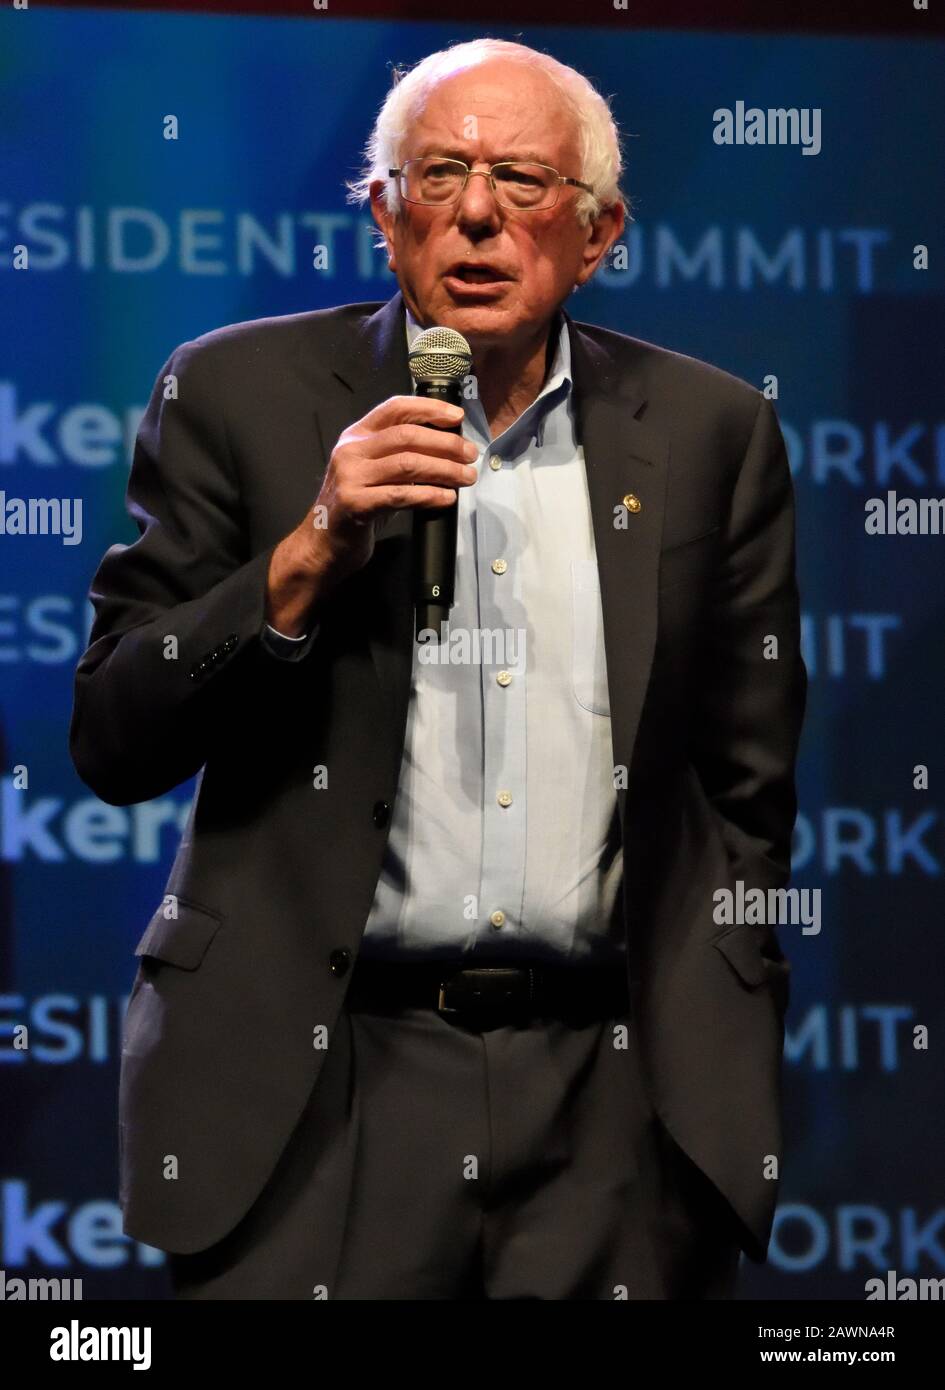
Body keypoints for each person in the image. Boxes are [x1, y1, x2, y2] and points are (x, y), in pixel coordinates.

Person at [70, 37, 806, 1299]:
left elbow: (749, 785)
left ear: (600, 230)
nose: (476, 213)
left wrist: (697, 1042)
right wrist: (304, 558)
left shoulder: (710, 434)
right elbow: (113, 735)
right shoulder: (236, 395)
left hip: (610, 1104)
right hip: (318, 1091)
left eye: (523, 181)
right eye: (439, 176)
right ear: (383, 214)